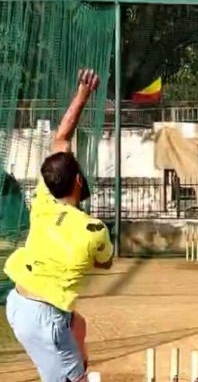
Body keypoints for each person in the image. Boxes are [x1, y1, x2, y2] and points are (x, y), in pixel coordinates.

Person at [3, 68, 114, 382]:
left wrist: (82, 94)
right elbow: (105, 264)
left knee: (78, 326)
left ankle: (75, 369)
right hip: (43, 317)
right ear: (78, 180)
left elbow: (61, 137)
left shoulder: (43, 196)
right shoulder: (93, 230)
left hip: (18, 302)